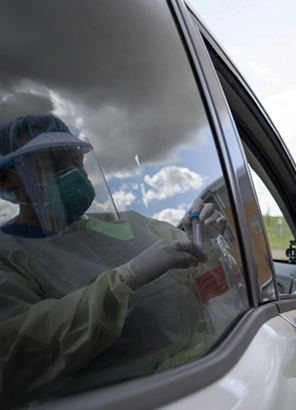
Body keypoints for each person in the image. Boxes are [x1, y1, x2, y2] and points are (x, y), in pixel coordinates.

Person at [0, 114, 229, 405]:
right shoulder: (8, 255)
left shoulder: (134, 225)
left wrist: (205, 241)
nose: (74, 176)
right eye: (54, 164)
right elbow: (15, 360)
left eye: (77, 164)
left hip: (203, 381)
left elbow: (214, 292)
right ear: (6, 177)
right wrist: (125, 279)